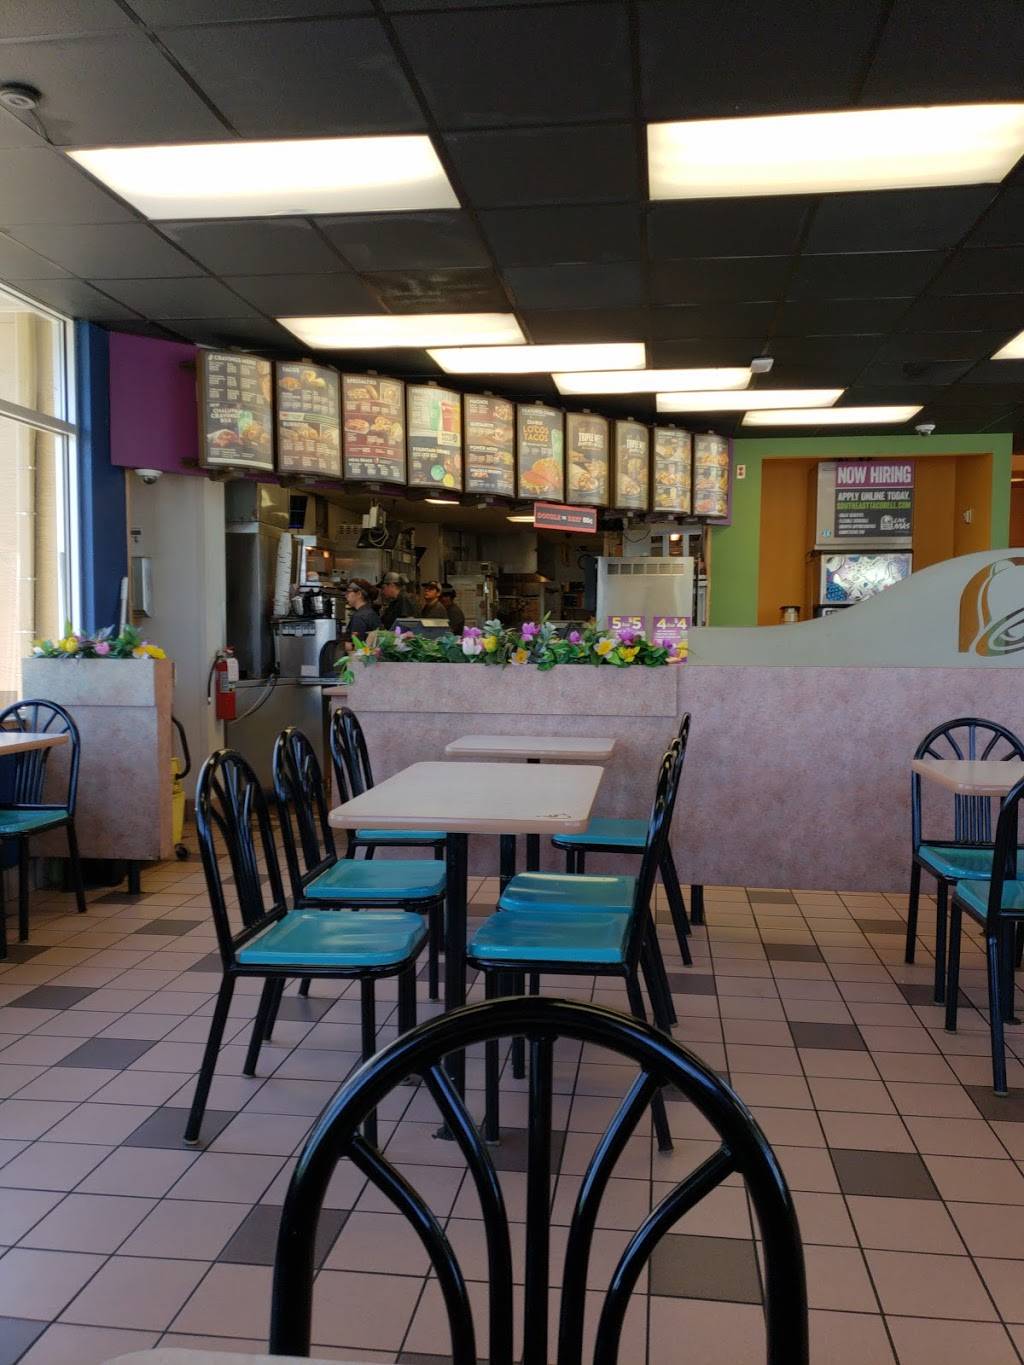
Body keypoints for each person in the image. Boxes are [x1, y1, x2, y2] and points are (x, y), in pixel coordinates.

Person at [340, 578, 380, 653]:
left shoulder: (360, 617)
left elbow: (358, 647)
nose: (346, 596)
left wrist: (341, 645)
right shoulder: (370, 612)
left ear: (359, 594)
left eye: (348, 592)